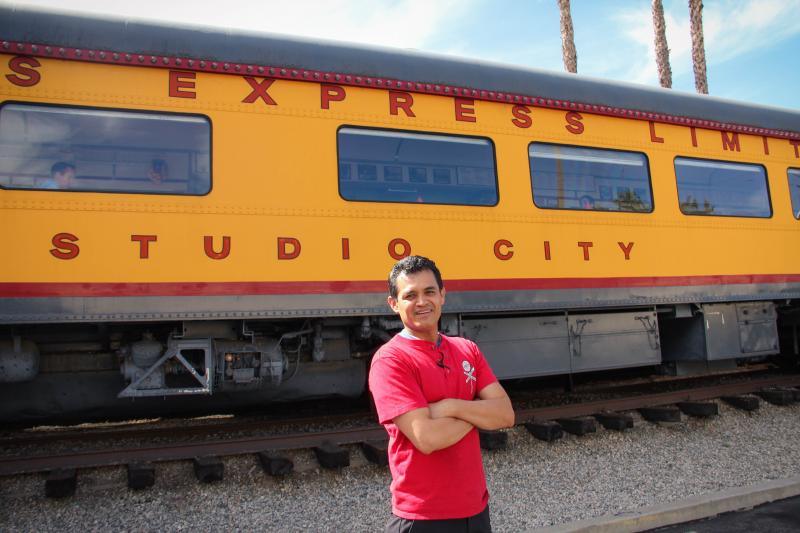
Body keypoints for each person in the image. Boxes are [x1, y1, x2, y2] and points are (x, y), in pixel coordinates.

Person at [369, 255, 514, 533]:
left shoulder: (466, 349)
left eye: (429, 292)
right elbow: (428, 438)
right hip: (423, 518)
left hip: (477, 511)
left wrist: (450, 406)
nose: (422, 302)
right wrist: (479, 412)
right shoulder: (390, 360)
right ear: (394, 304)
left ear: (443, 295)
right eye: (410, 295)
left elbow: (505, 414)